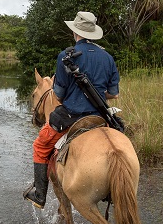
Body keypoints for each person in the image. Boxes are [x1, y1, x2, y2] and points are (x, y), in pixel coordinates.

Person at [23, 11, 120, 209]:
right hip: (100, 116)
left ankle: (39, 195)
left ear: (75, 32)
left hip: (72, 116)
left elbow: (57, 96)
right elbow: (113, 94)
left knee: (40, 147)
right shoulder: (108, 57)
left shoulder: (65, 57)